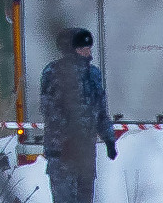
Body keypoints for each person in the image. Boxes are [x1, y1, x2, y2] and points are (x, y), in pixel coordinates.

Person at [38, 28, 116, 203]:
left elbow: (100, 110)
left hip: (86, 152)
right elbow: (50, 110)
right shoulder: (54, 72)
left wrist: (109, 139)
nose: (87, 52)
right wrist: (68, 138)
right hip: (62, 152)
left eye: (89, 48)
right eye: (82, 48)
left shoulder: (93, 74)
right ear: (70, 49)